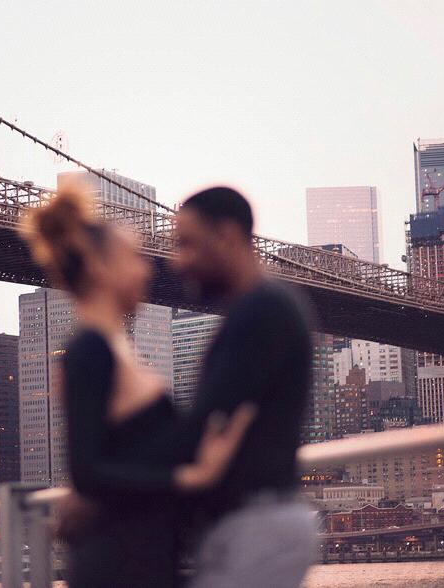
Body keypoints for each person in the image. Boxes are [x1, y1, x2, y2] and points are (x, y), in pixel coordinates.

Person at [18, 180, 256, 588]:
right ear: (99, 268)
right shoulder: (89, 350)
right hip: (118, 563)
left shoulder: (114, 349)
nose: (147, 269)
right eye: (133, 257)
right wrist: (191, 477)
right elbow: (87, 471)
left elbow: (126, 453)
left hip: (145, 557)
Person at [171, 186, 317, 587]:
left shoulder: (264, 310)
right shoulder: (258, 309)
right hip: (251, 525)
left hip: (258, 528)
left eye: (187, 244)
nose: (177, 261)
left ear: (226, 235)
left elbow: (206, 422)